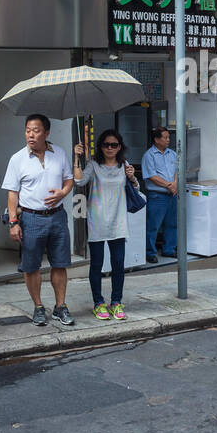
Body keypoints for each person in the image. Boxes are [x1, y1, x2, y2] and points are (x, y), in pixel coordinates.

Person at [2, 114, 75, 327]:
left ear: (46, 133)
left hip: (57, 217)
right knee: (31, 266)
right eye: (27, 130)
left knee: (60, 263)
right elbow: (12, 194)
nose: (31, 135)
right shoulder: (18, 159)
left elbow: (69, 180)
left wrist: (63, 193)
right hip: (31, 218)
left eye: (35, 131)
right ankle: (38, 307)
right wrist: (13, 223)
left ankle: (60, 306)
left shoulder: (59, 153)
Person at [73, 130, 142, 321]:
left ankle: (116, 302)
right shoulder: (93, 165)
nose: (110, 148)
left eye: (114, 145)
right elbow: (79, 180)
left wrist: (132, 177)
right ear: (100, 146)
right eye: (106, 144)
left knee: (118, 264)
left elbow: (136, 189)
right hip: (97, 220)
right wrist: (77, 158)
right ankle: (98, 302)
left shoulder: (124, 165)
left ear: (120, 147)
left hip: (118, 222)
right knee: (96, 264)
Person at [141, 125, 179, 262]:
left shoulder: (172, 153)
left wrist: (175, 183)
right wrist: (169, 185)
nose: (168, 140)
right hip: (157, 195)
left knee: (172, 223)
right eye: (165, 137)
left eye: (169, 137)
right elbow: (152, 176)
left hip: (172, 194)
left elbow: (177, 170)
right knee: (153, 225)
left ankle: (169, 249)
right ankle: (150, 252)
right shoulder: (149, 155)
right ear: (157, 139)